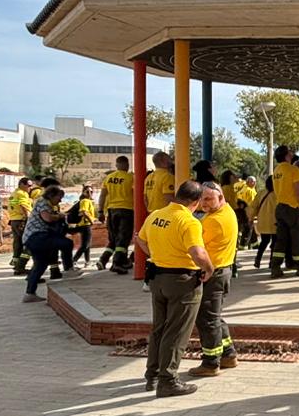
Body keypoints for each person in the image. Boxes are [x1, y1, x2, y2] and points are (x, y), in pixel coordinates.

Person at [134, 180, 214, 397]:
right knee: (177, 331)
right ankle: (168, 380)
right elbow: (198, 253)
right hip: (182, 281)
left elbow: (139, 240)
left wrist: (157, 254)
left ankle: (152, 375)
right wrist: (208, 268)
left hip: (158, 277)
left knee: (159, 328)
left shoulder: (156, 215)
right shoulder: (188, 221)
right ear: (196, 201)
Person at [190, 182, 240, 375]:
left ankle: (210, 363)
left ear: (221, 198)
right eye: (202, 199)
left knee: (207, 320)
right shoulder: (228, 212)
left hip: (213, 273)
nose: (204, 203)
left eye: (209, 199)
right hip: (223, 271)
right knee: (215, 317)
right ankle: (228, 354)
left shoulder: (212, 222)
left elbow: (196, 247)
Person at [22, 185, 78, 302]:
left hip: (32, 239)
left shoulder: (48, 205)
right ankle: (68, 269)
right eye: (59, 197)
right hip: (37, 236)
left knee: (40, 265)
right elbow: (47, 218)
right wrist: (60, 216)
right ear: (52, 195)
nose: (60, 200)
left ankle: (29, 294)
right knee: (66, 244)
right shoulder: (43, 202)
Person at [270, 145, 299, 277]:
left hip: (280, 208)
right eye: (290, 151)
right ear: (287, 155)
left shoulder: (276, 171)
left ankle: (275, 267)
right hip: (293, 208)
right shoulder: (294, 170)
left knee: (281, 240)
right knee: (298, 238)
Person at [99, 156, 137, 273]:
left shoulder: (108, 178)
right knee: (123, 238)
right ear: (127, 165)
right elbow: (136, 194)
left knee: (115, 238)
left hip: (112, 210)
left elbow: (103, 195)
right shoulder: (131, 177)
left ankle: (104, 259)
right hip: (126, 209)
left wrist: (100, 211)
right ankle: (117, 263)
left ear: (116, 165)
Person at [6, 176, 33, 274]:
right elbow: (23, 206)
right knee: (28, 243)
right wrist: (29, 218)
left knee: (18, 243)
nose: (30, 187)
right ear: (22, 184)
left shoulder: (14, 194)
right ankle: (20, 266)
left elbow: (13, 206)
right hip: (22, 220)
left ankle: (16, 264)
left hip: (14, 221)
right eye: (28, 185)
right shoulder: (22, 194)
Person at [251, 177, 278, 270]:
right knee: (275, 243)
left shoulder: (261, 193)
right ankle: (272, 262)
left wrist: (250, 218)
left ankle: (258, 259)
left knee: (264, 242)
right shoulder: (278, 193)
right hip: (275, 222)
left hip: (263, 222)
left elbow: (254, 207)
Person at [72, 184, 97, 266]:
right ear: (83, 193)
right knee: (85, 245)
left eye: (91, 191)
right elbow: (84, 212)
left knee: (87, 245)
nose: (90, 193)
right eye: (87, 191)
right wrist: (91, 221)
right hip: (85, 224)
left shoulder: (88, 201)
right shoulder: (85, 201)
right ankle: (73, 260)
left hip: (84, 224)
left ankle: (87, 261)